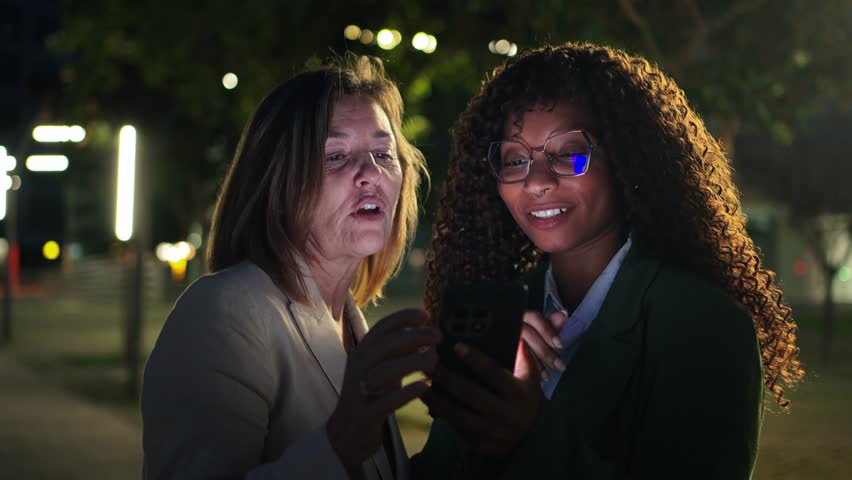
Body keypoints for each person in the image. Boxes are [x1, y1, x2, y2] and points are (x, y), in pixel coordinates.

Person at [412, 42, 804, 479]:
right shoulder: (501, 314)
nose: (537, 181)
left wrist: (527, 436)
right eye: (515, 159)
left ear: (627, 160)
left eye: (568, 154)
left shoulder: (703, 322)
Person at [141, 56, 438, 480]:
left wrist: (471, 433)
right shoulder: (222, 313)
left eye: (382, 153)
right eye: (336, 156)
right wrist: (338, 445)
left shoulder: (351, 326)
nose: (369, 173)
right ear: (277, 182)